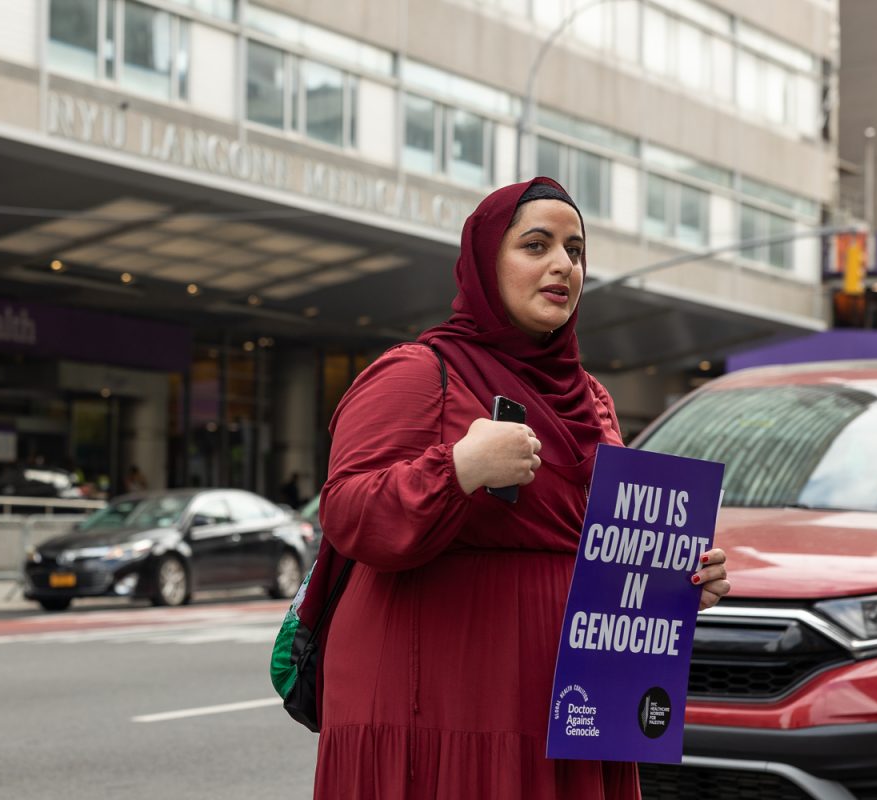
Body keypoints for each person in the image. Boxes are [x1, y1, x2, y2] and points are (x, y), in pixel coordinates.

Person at [313, 178, 731, 799]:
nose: (563, 264)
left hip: (571, 705)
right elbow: (348, 513)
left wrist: (672, 580)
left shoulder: (593, 400)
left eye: (575, 250)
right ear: (486, 261)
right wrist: (457, 468)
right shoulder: (419, 373)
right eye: (536, 245)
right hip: (437, 703)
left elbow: (603, 549)